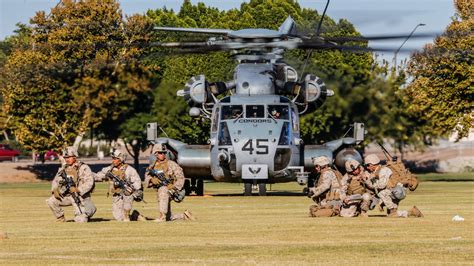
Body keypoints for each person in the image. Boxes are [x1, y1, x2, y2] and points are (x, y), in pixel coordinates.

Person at [144, 144, 194, 222]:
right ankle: (184, 215)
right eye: (160, 153)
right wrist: (151, 180)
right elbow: (147, 178)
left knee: (163, 190)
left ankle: (162, 216)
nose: (163, 154)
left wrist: (174, 188)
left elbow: (181, 178)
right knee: (169, 217)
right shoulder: (152, 166)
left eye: (164, 153)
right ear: (156, 154)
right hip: (161, 192)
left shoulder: (172, 164)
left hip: (173, 191)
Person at [46, 146, 96, 222]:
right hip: (67, 196)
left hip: (80, 197)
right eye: (65, 157)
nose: (67, 159)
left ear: (75, 156)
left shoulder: (83, 167)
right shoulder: (64, 169)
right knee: (50, 201)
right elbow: (55, 181)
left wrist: (78, 189)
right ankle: (60, 218)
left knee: (80, 220)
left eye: (69, 157)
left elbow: (90, 182)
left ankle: (86, 213)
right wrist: (55, 190)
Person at [95, 150, 145, 222]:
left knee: (128, 193)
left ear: (121, 159)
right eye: (113, 158)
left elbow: (138, 183)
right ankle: (135, 215)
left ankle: (127, 216)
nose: (113, 160)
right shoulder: (110, 169)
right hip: (117, 195)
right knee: (118, 217)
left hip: (128, 194)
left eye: (115, 158)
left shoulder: (130, 170)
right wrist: (90, 175)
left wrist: (131, 187)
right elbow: (99, 175)